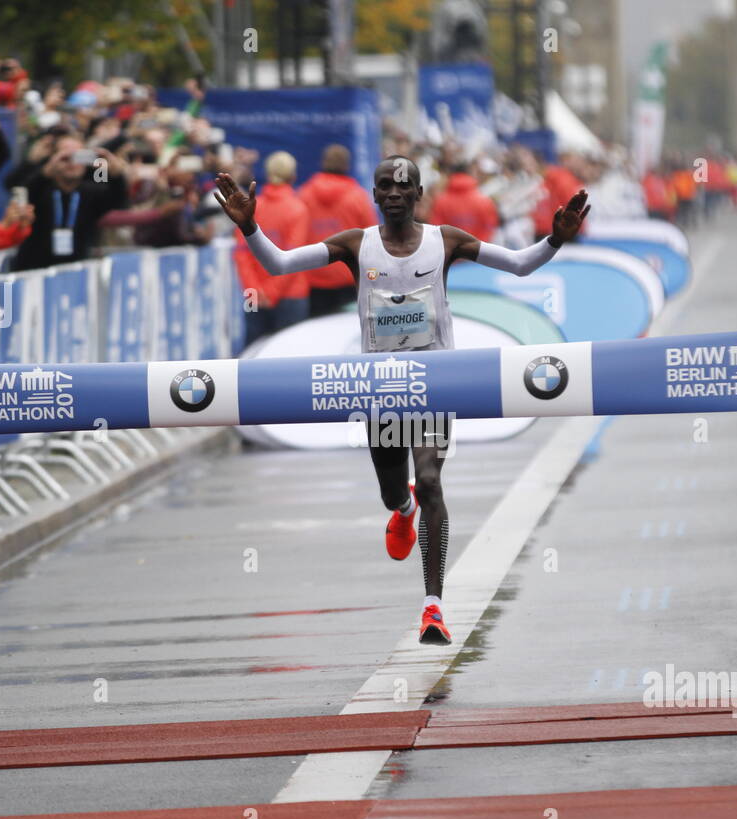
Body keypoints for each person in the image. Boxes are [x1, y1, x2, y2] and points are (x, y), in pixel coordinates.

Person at [214, 156, 588, 644]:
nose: (393, 192)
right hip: (381, 388)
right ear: (374, 195)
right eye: (385, 185)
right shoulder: (355, 245)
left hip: (434, 382)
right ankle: (402, 509)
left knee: (431, 480)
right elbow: (280, 264)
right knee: (396, 488)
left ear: (418, 195)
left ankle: (433, 606)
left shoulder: (446, 240)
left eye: (403, 185)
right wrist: (250, 228)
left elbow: (518, 265)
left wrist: (555, 238)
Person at [12, 136, 128, 271]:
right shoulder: (41, 188)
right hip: (34, 268)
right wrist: (46, 170)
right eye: (65, 158)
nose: (72, 163)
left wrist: (113, 172)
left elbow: (116, 198)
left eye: (78, 157)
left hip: (77, 270)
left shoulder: (90, 191)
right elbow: (19, 190)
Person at [231, 151, 310, 346]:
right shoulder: (297, 208)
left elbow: (241, 254)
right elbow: (294, 256)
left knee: (252, 356)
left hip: (253, 296)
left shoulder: (251, 207)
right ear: (293, 176)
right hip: (290, 294)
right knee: (290, 358)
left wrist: (256, 290)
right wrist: (271, 292)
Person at [299, 144, 376, 316]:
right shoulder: (358, 196)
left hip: (314, 277)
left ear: (323, 163)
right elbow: (372, 239)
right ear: (347, 165)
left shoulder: (304, 194)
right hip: (349, 277)